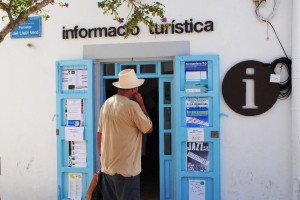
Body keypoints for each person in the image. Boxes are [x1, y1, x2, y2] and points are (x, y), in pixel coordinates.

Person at [97, 69, 153, 200]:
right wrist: (142, 104)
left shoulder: (107, 103)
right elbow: (149, 128)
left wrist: (101, 156)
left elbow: (100, 133)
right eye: (136, 86)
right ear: (133, 88)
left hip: (107, 167)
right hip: (126, 170)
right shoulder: (132, 106)